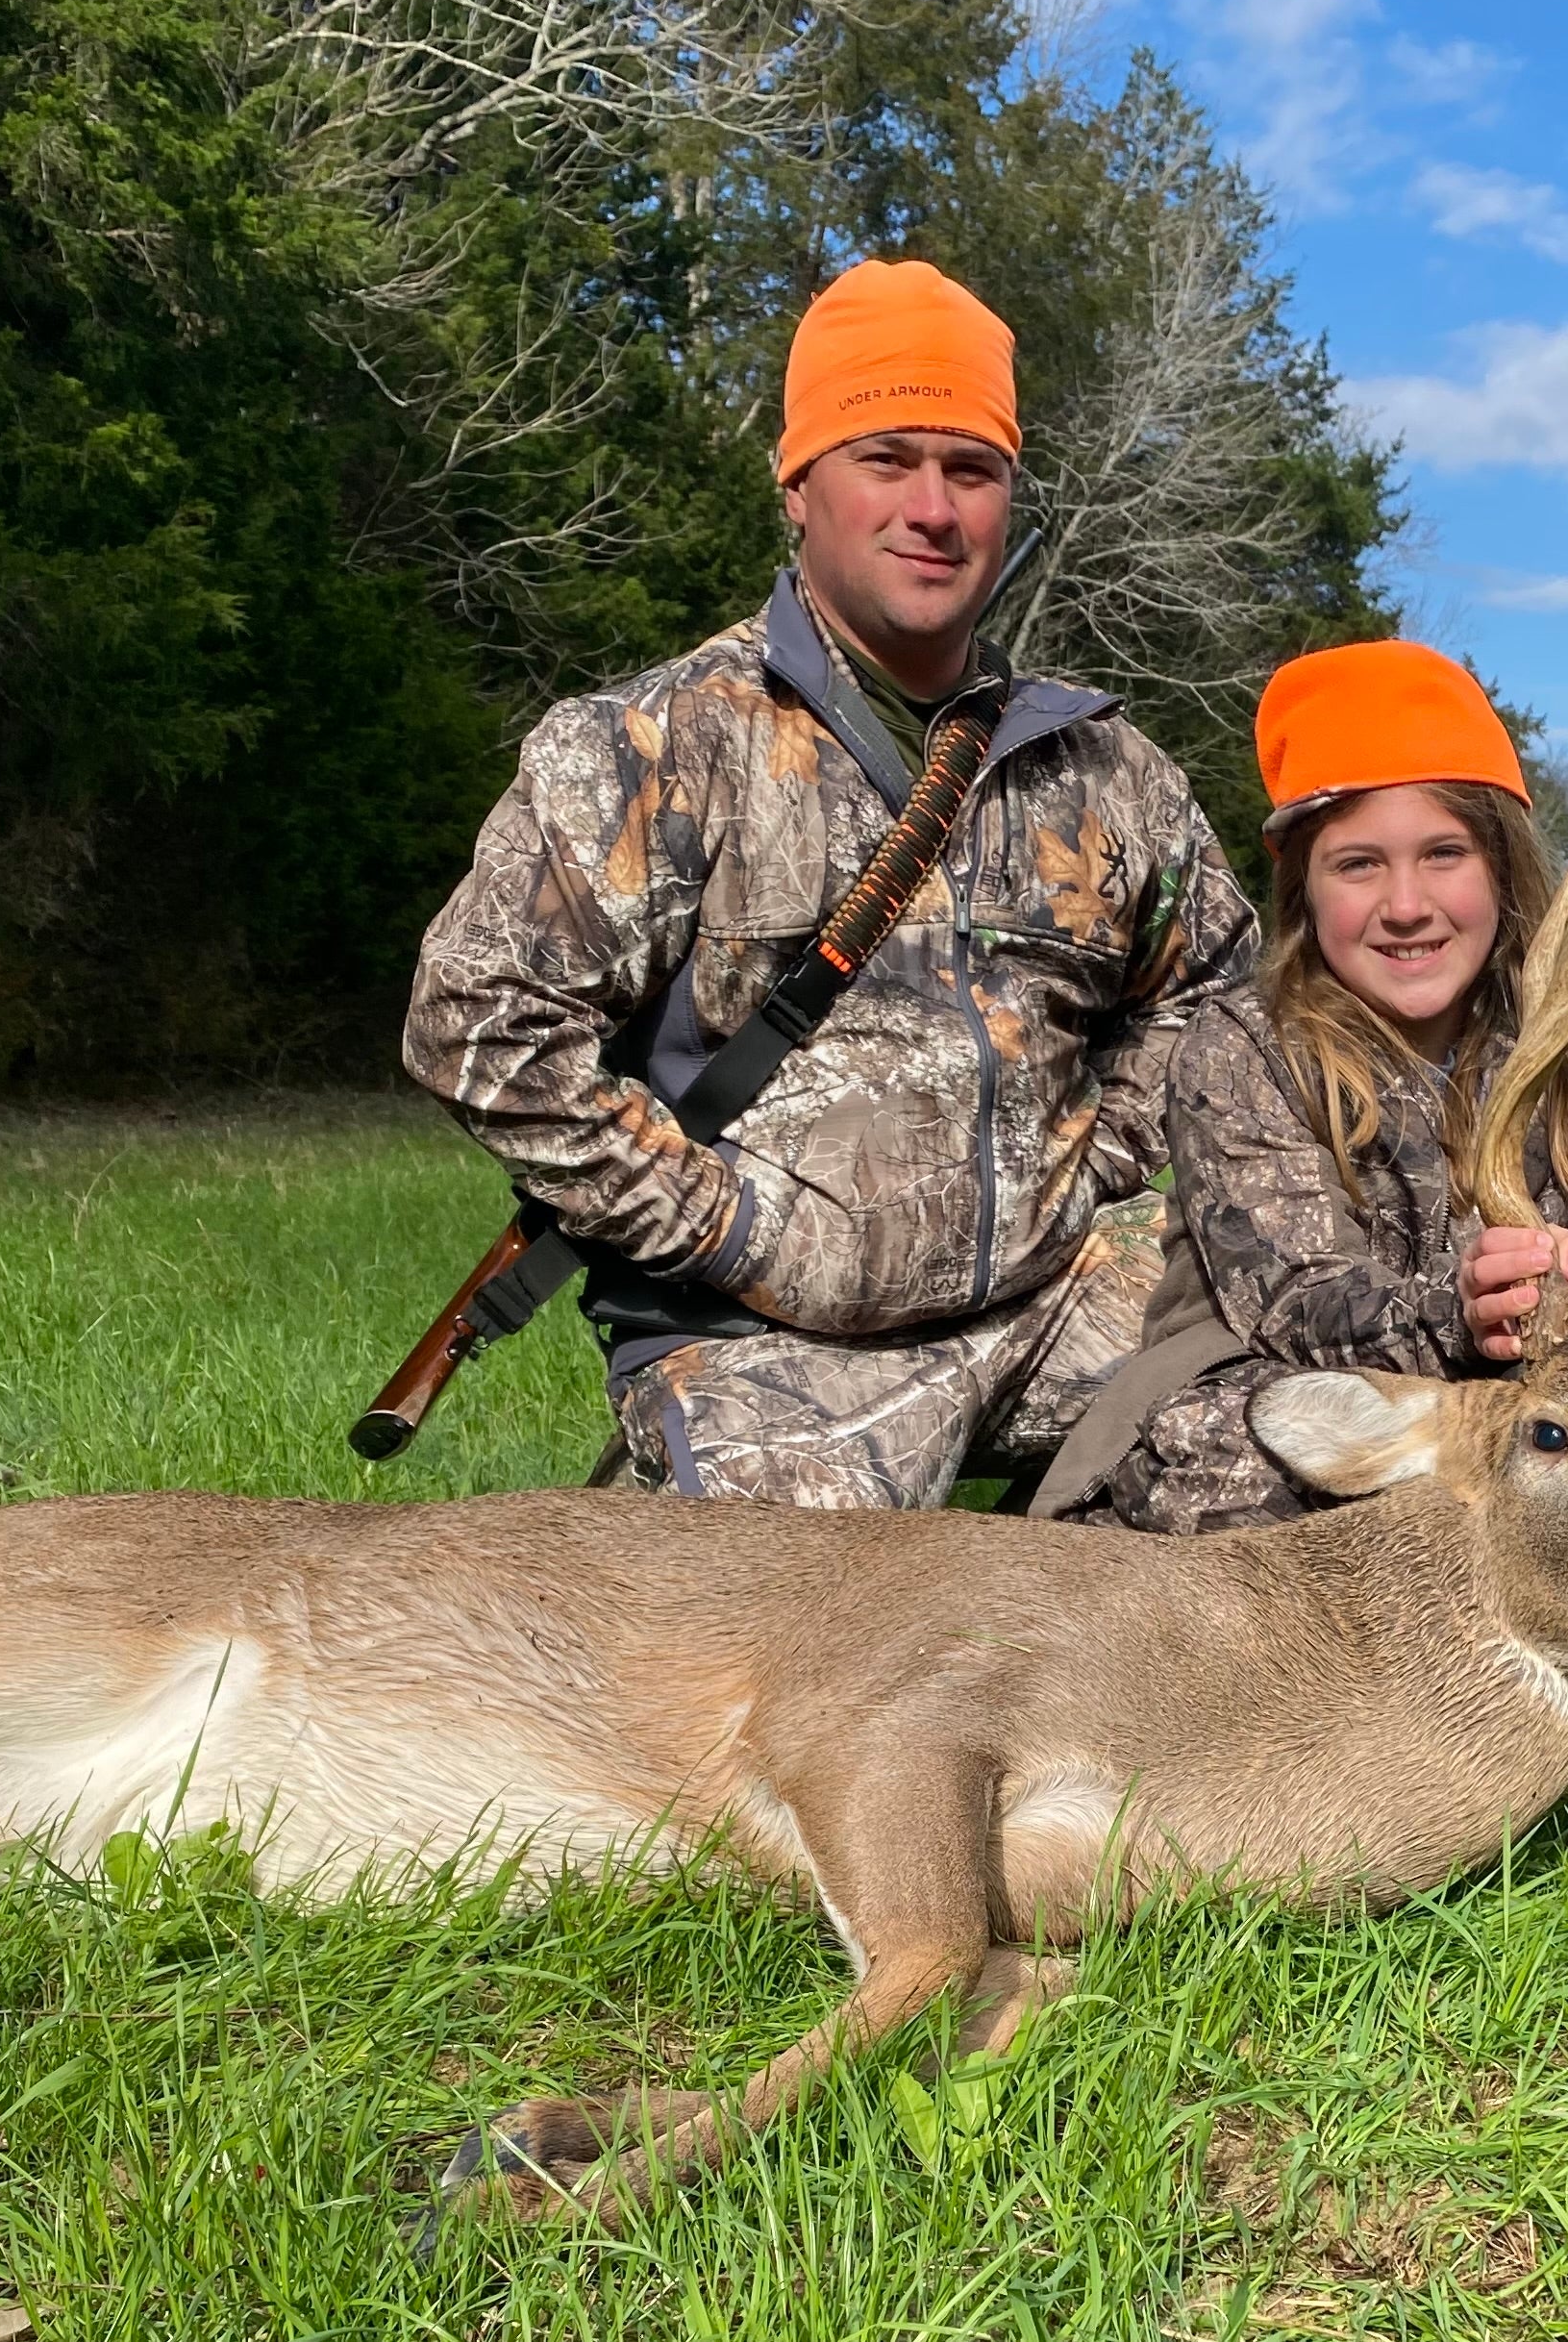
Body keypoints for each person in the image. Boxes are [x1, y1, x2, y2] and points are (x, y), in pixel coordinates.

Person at [403, 258, 1256, 1506]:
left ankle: (1069, 1570)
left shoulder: (1106, 770)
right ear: (798, 484)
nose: (933, 507)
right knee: (819, 1671)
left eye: (971, 470)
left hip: (1045, 1300)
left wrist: (1094, 1152)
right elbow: (476, 1016)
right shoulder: (658, 746)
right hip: (768, 1348)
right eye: (885, 459)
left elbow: (1219, 995)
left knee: (1299, 1410)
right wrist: (720, 1224)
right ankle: (693, 1498)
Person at [1028, 639, 1568, 1532]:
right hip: (1281, 1383)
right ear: (1304, 891)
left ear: (1502, 871)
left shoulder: (1543, 1050)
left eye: (1444, 854)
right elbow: (1296, 1305)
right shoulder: (1241, 1044)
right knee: (1236, 1454)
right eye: (1358, 864)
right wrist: (1460, 1308)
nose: (1405, 904)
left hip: (1498, 1399)